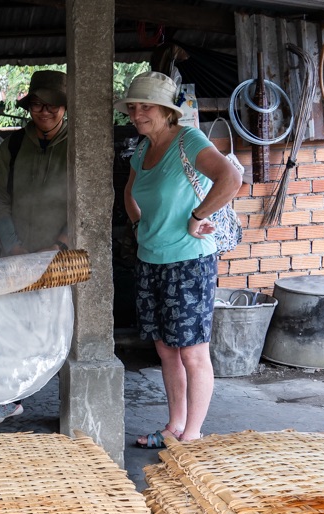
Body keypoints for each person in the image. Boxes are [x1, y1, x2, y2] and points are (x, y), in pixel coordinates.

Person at [115, 71, 241, 447]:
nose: (137, 114)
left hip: (189, 262)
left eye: (146, 107)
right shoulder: (142, 149)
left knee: (191, 352)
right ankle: (174, 426)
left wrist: (198, 215)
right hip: (150, 260)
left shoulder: (189, 140)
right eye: (133, 107)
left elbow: (230, 179)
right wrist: (139, 225)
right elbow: (129, 193)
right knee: (166, 349)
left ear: (167, 111)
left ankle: (193, 435)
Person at [0, 69, 70, 426]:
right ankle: (9, 401)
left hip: (62, 257)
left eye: (52, 105)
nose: (43, 111)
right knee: (11, 329)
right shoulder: (13, 146)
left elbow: (87, 202)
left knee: (61, 328)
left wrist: (59, 244)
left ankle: (70, 404)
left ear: (65, 107)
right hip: (16, 256)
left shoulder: (78, 145)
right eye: (37, 104)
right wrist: (13, 245)